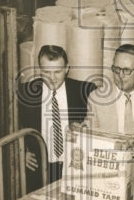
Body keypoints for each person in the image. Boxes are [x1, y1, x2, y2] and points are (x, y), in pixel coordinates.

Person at [17, 44, 95, 189]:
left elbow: (100, 124)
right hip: (38, 170)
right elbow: (10, 127)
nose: (52, 78)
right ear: (39, 69)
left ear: (67, 68)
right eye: (46, 72)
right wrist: (19, 152)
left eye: (57, 72)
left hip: (75, 168)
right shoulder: (24, 94)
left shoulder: (85, 91)